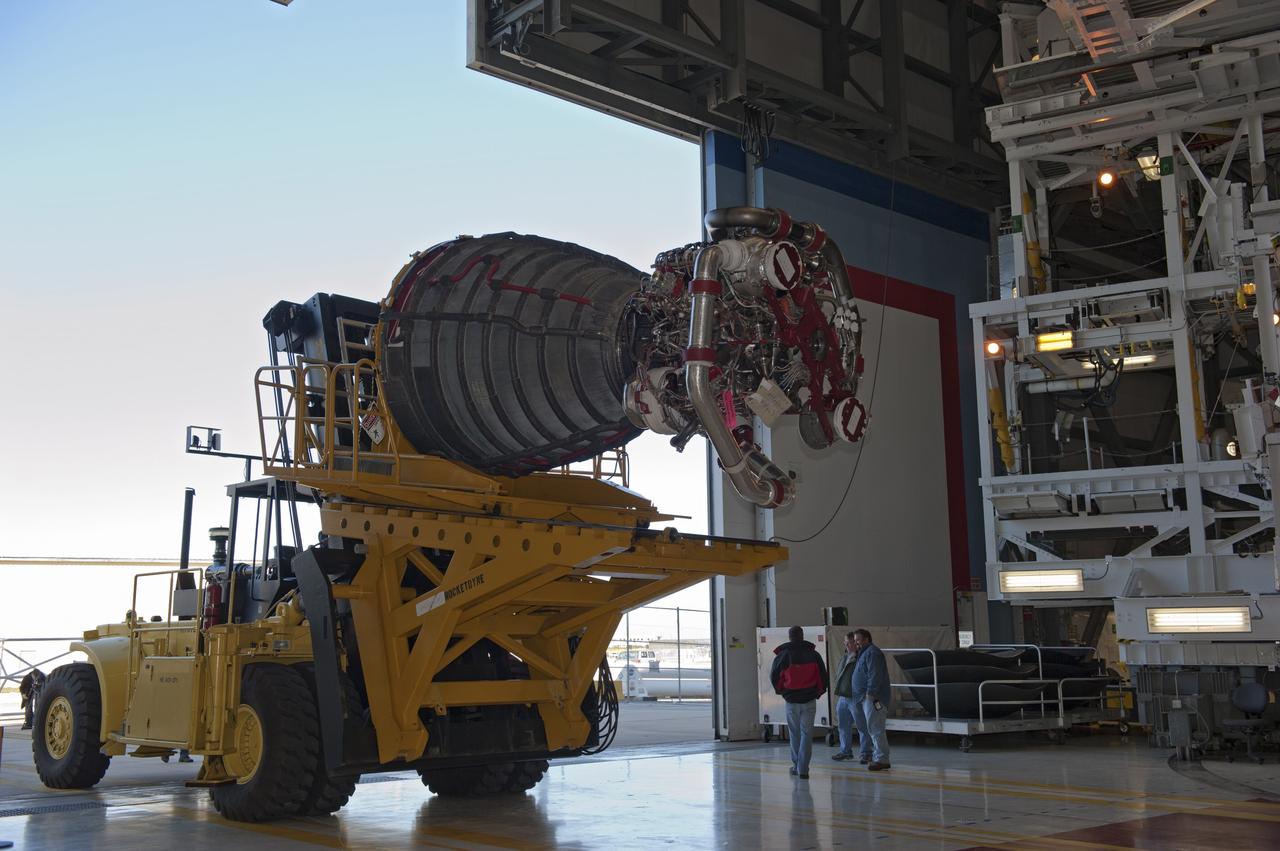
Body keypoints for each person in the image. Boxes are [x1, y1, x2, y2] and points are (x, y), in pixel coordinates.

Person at [770, 625, 828, 779]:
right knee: (806, 734)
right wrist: (817, 693)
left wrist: (783, 693)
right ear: (802, 636)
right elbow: (823, 676)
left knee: (794, 734)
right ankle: (803, 769)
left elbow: (774, 676)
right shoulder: (814, 655)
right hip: (809, 701)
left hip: (791, 701)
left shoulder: (783, 655)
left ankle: (796, 766)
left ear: (790, 637)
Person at [850, 628, 891, 770]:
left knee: (876, 728)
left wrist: (870, 693)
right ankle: (879, 756)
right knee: (873, 728)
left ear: (867, 639)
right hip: (864, 698)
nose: (856, 643)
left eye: (858, 640)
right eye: (854, 641)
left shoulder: (872, 653)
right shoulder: (863, 653)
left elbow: (875, 674)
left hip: (873, 698)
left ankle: (881, 759)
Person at [831, 632, 861, 762]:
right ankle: (845, 751)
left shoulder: (860, 658)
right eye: (845, 643)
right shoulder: (845, 658)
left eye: (848, 642)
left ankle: (866, 752)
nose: (846, 645)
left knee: (862, 726)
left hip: (855, 697)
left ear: (855, 643)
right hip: (843, 697)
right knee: (843, 725)